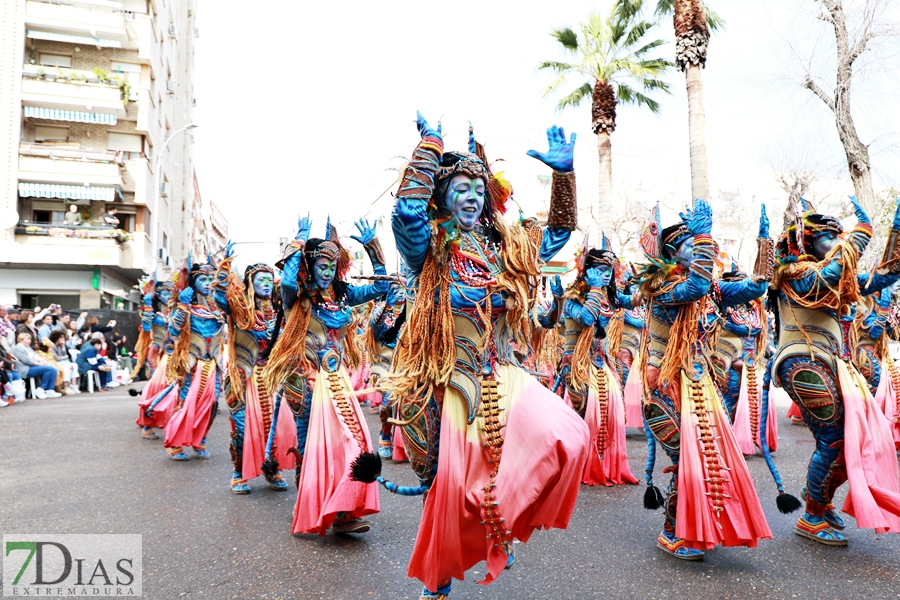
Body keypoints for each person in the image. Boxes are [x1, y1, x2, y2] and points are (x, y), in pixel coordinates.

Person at [384, 115, 590, 599]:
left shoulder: (505, 250)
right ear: (442, 196)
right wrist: (432, 146)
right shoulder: (429, 250)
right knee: (445, 494)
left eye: (479, 186)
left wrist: (564, 175)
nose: (473, 195)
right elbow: (407, 216)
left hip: (501, 375)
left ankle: (501, 518)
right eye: (461, 187)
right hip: (442, 381)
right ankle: (437, 582)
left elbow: (557, 236)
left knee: (570, 435)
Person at [638, 202, 775, 561]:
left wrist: (764, 243)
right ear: (670, 253)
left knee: (709, 458)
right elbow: (696, 286)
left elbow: (757, 288)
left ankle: (697, 525)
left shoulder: (713, 289)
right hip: (664, 388)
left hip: (700, 386)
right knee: (687, 459)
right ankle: (673, 531)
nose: (699, 249)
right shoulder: (661, 288)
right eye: (689, 244)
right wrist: (703, 234)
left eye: (697, 243)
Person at [767, 196, 900, 545]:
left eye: (839, 236)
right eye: (829, 236)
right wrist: (859, 235)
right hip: (800, 363)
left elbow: (881, 277)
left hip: (831, 364)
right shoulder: (794, 273)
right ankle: (812, 515)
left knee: (852, 438)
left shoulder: (837, 273)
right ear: (807, 242)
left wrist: (896, 235)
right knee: (835, 437)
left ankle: (820, 500)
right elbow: (827, 276)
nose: (836, 242)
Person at [263, 215, 388, 535]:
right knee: (310, 446)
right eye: (320, 266)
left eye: (331, 267)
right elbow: (289, 282)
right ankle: (312, 503)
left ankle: (344, 508)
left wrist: (373, 248)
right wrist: (301, 238)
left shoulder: (344, 295)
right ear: (309, 265)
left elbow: (380, 286)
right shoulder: (298, 297)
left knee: (354, 440)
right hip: (304, 379)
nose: (326, 271)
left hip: (337, 381)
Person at [214, 249, 295, 494]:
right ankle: (239, 472)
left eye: (270, 280)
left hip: (271, 378)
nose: (266, 284)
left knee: (278, 426)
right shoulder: (240, 309)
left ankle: (273, 468)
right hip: (243, 377)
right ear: (250, 283)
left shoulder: (279, 311)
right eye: (261, 280)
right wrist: (223, 274)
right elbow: (220, 299)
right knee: (241, 427)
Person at [559, 239, 639, 487]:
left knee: (614, 412)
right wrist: (594, 289)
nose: (606, 276)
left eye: (609, 271)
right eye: (601, 271)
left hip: (602, 364)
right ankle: (579, 465)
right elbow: (585, 318)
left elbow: (633, 302)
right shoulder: (573, 297)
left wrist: (647, 285)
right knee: (586, 414)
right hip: (576, 365)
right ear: (588, 270)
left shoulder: (607, 297)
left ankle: (603, 463)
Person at [161, 258, 226, 461]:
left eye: (210, 278)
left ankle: (201, 439)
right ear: (193, 282)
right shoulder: (186, 306)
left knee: (212, 404)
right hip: (192, 364)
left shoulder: (218, 308)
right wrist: (182, 305)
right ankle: (176, 443)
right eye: (203, 279)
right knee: (187, 402)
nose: (207, 282)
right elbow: (173, 331)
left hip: (213, 363)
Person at [133, 279, 176, 440]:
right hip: (157, 353)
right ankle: (146, 423)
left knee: (174, 389)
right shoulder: (155, 313)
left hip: (175, 354)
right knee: (156, 388)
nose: (168, 296)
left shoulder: (177, 311)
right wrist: (148, 306)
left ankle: (169, 421)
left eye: (171, 293)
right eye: (165, 293)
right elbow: (145, 328)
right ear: (158, 295)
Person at [12, 333, 62, 398]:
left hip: (31, 367)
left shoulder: (27, 348)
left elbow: (34, 356)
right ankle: (41, 389)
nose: (29, 341)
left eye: (30, 339)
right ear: (21, 340)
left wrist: (42, 361)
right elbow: (27, 361)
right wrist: (40, 364)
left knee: (53, 369)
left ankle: (50, 390)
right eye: (27, 339)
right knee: (49, 369)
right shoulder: (18, 348)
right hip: (24, 369)